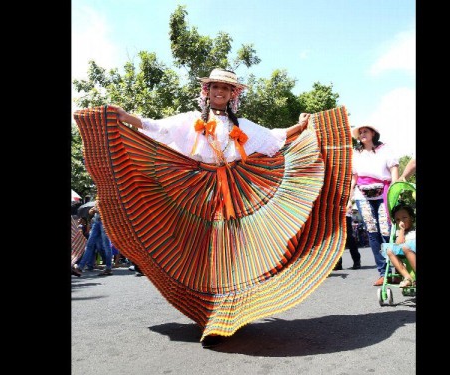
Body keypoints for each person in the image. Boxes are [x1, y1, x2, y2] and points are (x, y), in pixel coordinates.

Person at [105, 68, 313, 348]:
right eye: (215, 87)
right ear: (207, 91)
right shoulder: (191, 120)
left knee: (230, 254)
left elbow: (273, 139)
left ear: (232, 95)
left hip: (233, 196)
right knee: (202, 255)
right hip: (197, 193)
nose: (219, 92)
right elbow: (159, 128)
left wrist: (300, 127)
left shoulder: (244, 126)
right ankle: (209, 315)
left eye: (226, 89)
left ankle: (226, 315)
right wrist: (125, 117)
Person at [346, 124, 399, 286]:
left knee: (386, 231)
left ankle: (396, 271)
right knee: (372, 231)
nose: (362, 134)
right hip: (363, 195)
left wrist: (395, 191)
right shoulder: (356, 154)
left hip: (384, 192)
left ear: (373, 133)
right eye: (360, 132)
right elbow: (354, 178)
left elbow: (394, 170)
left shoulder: (385, 150)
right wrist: (349, 199)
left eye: (365, 131)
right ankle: (383, 272)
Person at [72, 201, 114, 277]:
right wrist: (92, 211)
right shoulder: (98, 199)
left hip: (105, 222)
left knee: (106, 245)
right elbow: (91, 212)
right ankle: (80, 267)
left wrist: (97, 210)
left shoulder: (108, 198)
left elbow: (110, 211)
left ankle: (108, 267)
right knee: (89, 245)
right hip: (96, 222)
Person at [382, 204, 416, 288]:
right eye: (398, 219)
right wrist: (402, 230)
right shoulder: (399, 232)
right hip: (405, 250)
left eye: (404, 218)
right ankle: (407, 277)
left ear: (411, 218)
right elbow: (398, 245)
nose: (401, 221)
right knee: (389, 250)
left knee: (405, 247)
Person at [333, 205, 362, 270]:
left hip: (344, 214)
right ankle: (337, 262)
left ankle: (356, 261)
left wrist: (349, 206)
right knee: (336, 239)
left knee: (349, 238)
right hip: (333, 214)